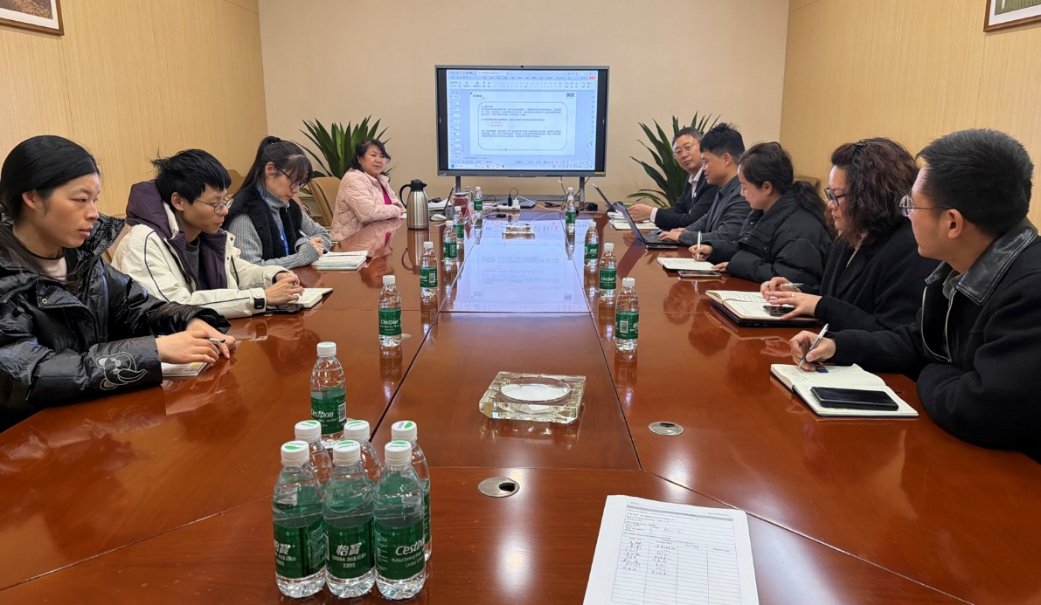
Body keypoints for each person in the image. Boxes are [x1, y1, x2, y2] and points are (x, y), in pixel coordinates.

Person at [790, 129, 1041, 460]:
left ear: (952, 223)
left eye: (912, 204)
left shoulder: (1030, 290)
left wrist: (928, 370)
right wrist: (837, 345)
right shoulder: (956, 267)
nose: (906, 214)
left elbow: (982, 409)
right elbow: (916, 341)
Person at [0, 135, 234, 432]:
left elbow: (138, 306)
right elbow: (31, 375)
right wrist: (154, 350)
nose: (93, 213)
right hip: (29, 439)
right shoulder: (7, 277)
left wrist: (189, 320)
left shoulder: (82, 258)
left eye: (94, 200)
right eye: (80, 200)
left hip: (91, 424)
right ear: (32, 198)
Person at [761, 139, 939, 331]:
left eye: (836, 195)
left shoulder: (907, 248)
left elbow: (891, 333)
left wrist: (820, 306)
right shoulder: (852, 234)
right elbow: (836, 297)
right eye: (829, 194)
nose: (830, 204)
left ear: (869, 197)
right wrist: (797, 292)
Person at [112, 149, 304, 319]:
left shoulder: (205, 233)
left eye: (225, 201)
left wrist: (274, 276)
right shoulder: (143, 244)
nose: (224, 211)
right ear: (179, 201)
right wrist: (261, 298)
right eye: (215, 204)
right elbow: (174, 306)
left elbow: (237, 272)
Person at [692, 142, 833, 289]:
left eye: (744, 187)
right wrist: (714, 249)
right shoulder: (764, 211)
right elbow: (748, 248)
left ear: (766, 187)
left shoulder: (799, 229)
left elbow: (788, 280)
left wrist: (738, 265)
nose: (742, 193)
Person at [225, 136, 331, 269]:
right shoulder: (245, 212)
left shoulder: (286, 204)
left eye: (300, 183)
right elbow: (251, 269)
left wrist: (303, 244)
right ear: (270, 170)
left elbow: (323, 235)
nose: (296, 190)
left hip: (292, 279)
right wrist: (302, 256)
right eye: (294, 181)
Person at [658, 123, 751, 246]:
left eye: (706, 162)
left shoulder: (743, 193)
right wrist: (687, 230)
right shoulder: (724, 187)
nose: (703, 168)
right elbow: (707, 218)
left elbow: (725, 236)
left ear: (726, 159)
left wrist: (682, 237)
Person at [626, 127, 719, 229]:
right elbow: (677, 209)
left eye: (688, 148)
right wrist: (647, 214)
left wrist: (652, 213)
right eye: (678, 152)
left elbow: (692, 221)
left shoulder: (712, 179)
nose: (683, 155)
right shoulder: (691, 178)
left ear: (702, 147)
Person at [330, 139, 405, 241]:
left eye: (382, 156)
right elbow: (369, 214)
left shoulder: (380, 180)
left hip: (375, 240)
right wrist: (396, 210)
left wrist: (396, 209)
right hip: (352, 243)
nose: (378, 160)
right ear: (359, 159)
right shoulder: (354, 179)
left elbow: (399, 206)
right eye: (373, 155)